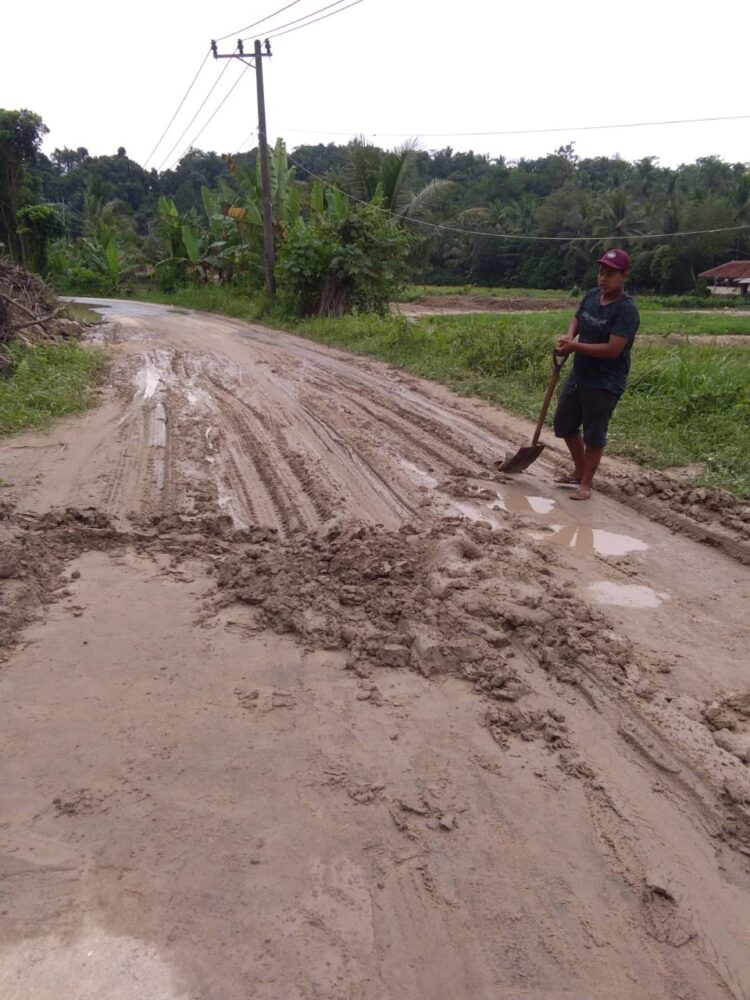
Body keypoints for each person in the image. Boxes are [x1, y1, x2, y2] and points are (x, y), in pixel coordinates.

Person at [552, 248, 640, 500]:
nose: (603, 278)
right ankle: (579, 470)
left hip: (605, 382)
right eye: (601, 272)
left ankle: (586, 484)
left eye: (610, 274)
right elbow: (577, 318)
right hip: (580, 374)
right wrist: (570, 334)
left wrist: (574, 346)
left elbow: (613, 350)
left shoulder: (626, 310)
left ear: (624, 276)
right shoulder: (592, 296)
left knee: (594, 433)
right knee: (564, 424)